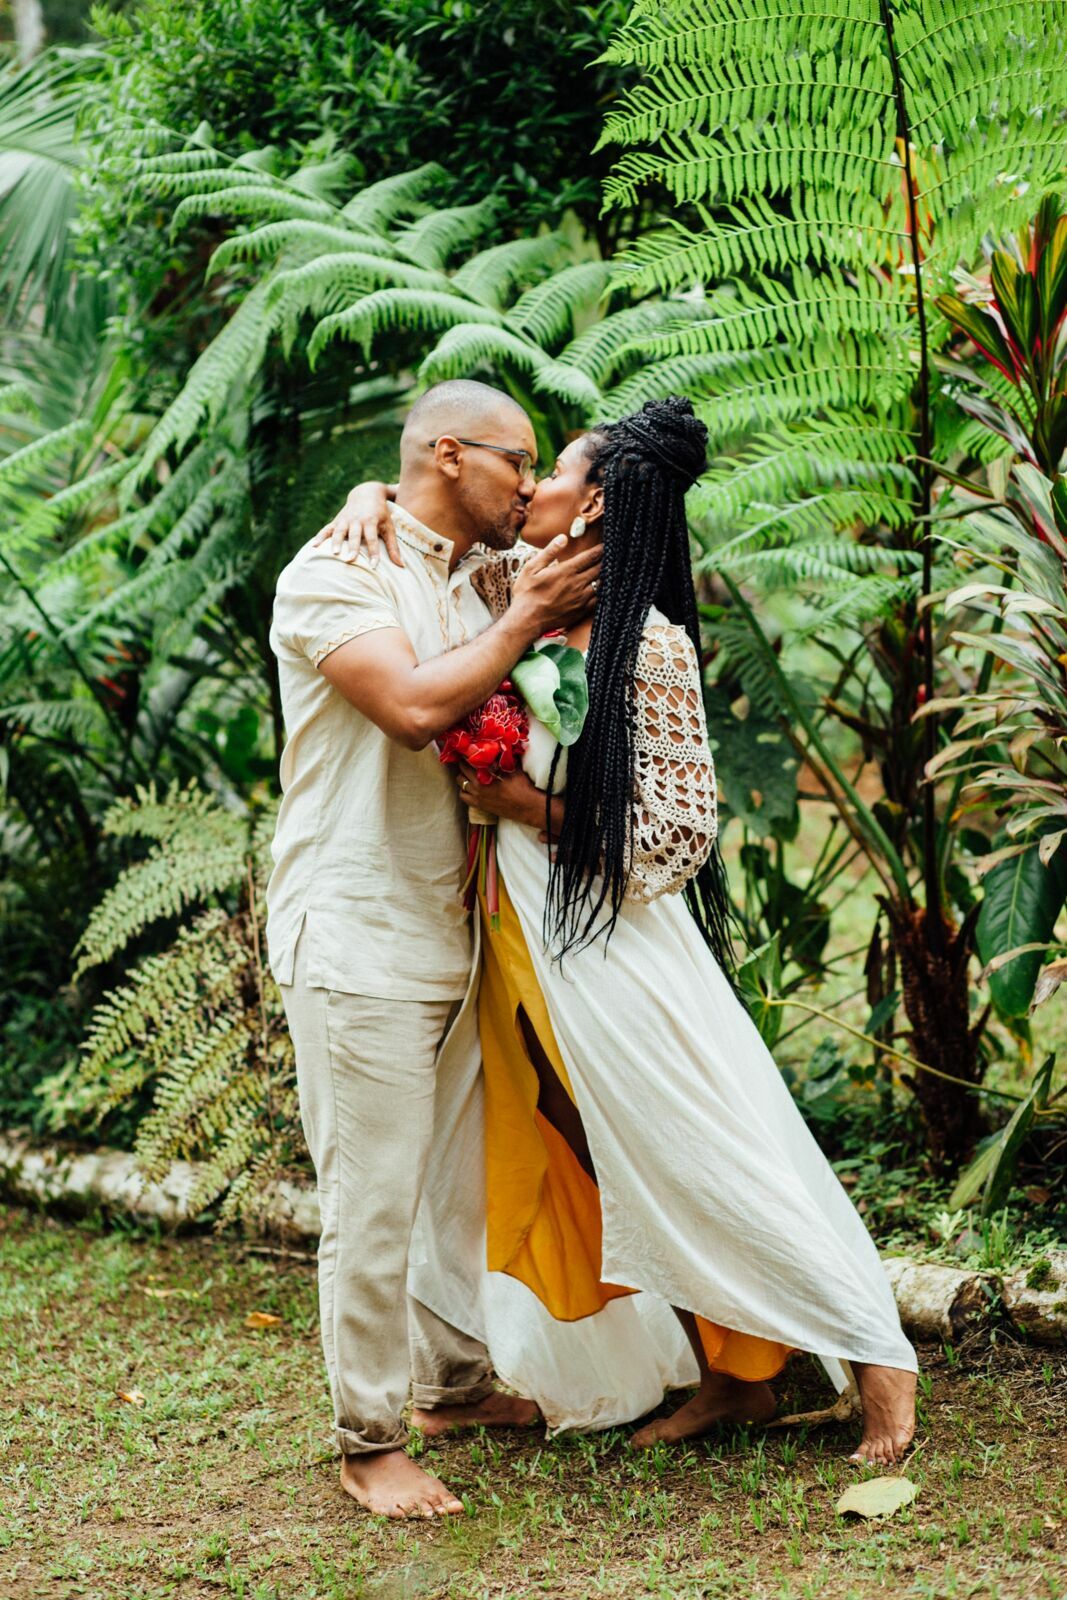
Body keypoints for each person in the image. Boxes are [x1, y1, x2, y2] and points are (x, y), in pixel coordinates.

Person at [322, 396, 918, 1466]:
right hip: (518, 939)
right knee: (606, 1153)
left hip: (613, 946)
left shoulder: (645, 644)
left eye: (551, 472)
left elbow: (676, 838)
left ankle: (877, 1360)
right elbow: (434, 517)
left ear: (593, 503)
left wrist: (525, 807)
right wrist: (371, 492)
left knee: (695, 1142)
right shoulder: (516, 593)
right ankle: (731, 1377)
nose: (531, 487)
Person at [266, 379, 601, 1519]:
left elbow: (602, 527)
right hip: (355, 927)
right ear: (452, 454)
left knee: (451, 1181)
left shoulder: (483, 570)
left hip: (461, 926)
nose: (530, 482)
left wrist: (384, 491)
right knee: (371, 1199)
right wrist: (514, 615)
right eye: (518, 460)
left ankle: (449, 1386)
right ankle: (367, 1440)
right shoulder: (332, 572)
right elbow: (412, 710)